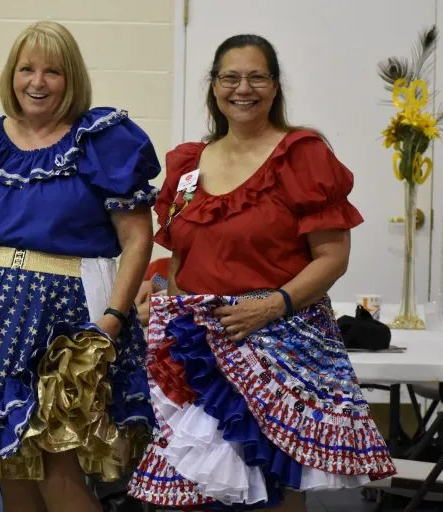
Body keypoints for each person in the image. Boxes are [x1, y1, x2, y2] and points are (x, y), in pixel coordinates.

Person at [126, 34, 396, 511]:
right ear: (214, 86)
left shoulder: (301, 155)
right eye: (230, 77)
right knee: (199, 490)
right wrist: (157, 285)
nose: (242, 88)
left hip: (280, 345)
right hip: (199, 346)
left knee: (270, 490)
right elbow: (186, 253)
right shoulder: (189, 164)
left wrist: (272, 305)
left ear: (274, 86)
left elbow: (332, 257)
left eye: (256, 77)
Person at [0, 20, 159, 512]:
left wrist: (114, 316)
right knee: (8, 461)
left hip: (66, 315)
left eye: (53, 72)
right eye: (27, 69)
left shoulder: (100, 139)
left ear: (72, 79)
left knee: (56, 460)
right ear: (11, 75)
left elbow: (137, 237)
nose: (37, 82)